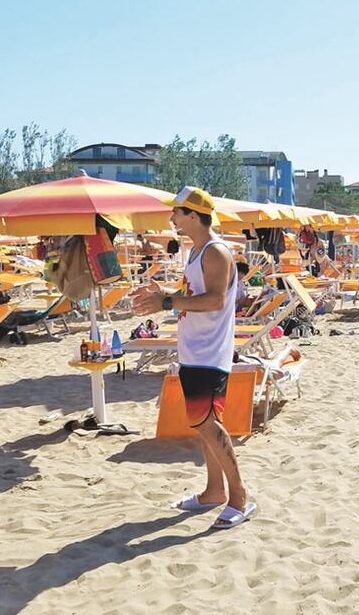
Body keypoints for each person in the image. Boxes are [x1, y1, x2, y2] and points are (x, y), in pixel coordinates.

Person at [131, 186, 255, 529]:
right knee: (203, 425)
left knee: (208, 424)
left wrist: (168, 302)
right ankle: (214, 491)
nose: (172, 217)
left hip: (209, 352)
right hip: (195, 349)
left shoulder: (215, 252)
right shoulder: (197, 252)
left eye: (177, 212)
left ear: (193, 215)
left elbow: (215, 300)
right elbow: (193, 295)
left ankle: (239, 496)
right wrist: (165, 293)